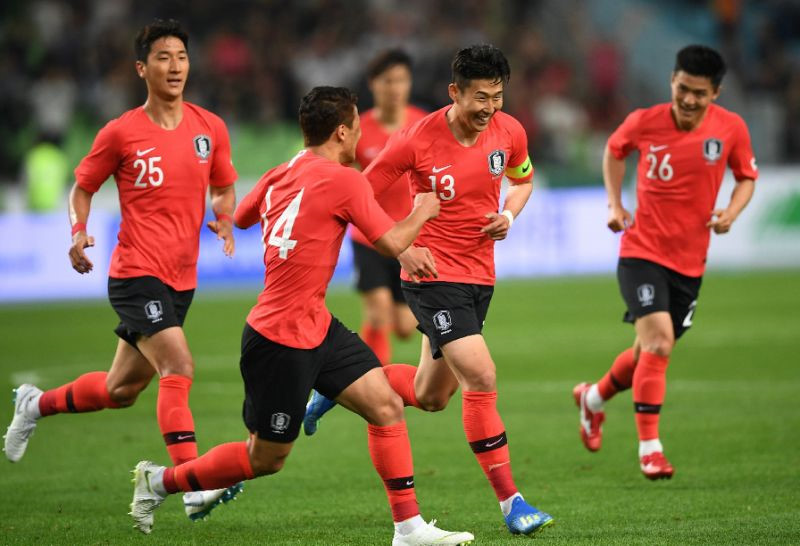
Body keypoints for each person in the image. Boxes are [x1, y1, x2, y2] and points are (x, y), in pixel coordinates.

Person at [129, 86, 474, 546]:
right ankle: (159, 482)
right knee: (266, 459)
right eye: (356, 127)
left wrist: (234, 221)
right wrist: (422, 210)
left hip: (316, 324)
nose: (359, 137)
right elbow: (392, 243)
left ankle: (408, 528)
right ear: (341, 132)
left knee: (385, 406)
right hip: (279, 339)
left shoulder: (281, 171)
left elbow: (244, 216)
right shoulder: (345, 179)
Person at [304, 45, 553, 536]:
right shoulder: (417, 139)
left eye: (497, 97)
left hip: (480, 275)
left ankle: (339, 385)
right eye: (480, 97)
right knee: (480, 375)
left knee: (431, 394)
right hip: (432, 276)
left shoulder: (510, 131)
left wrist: (509, 214)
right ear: (454, 92)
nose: (489, 108)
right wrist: (400, 247)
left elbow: (523, 180)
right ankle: (513, 503)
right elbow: (360, 195)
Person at [3, 19, 242, 519]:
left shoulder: (210, 128)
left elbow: (223, 185)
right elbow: (83, 187)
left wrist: (223, 216)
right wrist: (77, 231)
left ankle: (34, 404)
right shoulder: (121, 132)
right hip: (135, 273)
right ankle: (190, 481)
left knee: (122, 390)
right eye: (163, 57)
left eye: (181, 57)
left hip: (181, 279)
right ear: (141, 68)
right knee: (178, 366)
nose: (175, 66)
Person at [573, 45, 758, 479]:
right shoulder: (644, 120)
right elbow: (615, 150)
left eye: (699, 93)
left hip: (690, 263)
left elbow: (747, 177)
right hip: (641, 252)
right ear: (672, 81)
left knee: (647, 353)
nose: (689, 99)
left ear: (715, 92)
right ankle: (650, 449)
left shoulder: (731, 128)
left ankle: (592, 399)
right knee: (659, 343)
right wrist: (615, 204)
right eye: (682, 88)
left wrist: (731, 212)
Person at [349, 49, 427, 366]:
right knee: (378, 312)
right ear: (373, 84)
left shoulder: (423, 124)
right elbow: (343, 177)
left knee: (406, 327)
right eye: (387, 81)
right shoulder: (357, 128)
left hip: (410, 236)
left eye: (401, 80)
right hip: (370, 236)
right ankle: (372, 384)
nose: (395, 88)